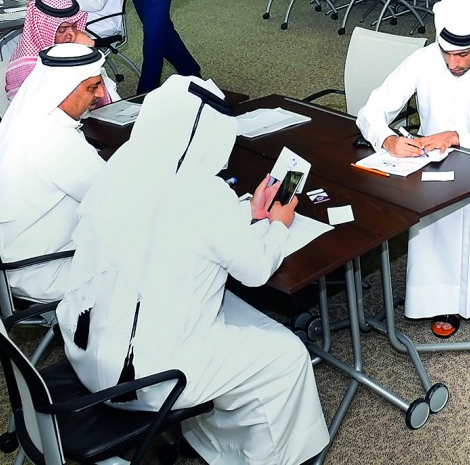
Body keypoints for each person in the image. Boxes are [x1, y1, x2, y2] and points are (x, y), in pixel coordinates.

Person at [56, 76, 329, 465]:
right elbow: (253, 270)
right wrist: (279, 223)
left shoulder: (119, 167)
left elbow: (168, 224)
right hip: (146, 379)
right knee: (286, 354)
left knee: (237, 314)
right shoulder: (204, 193)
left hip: (88, 349)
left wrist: (249, 214)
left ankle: (209, 443)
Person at [356, 0, 470, 342]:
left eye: (462, 54)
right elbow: (370, 112)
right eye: (446, 53)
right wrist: (386, 139)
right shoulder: (423, 60)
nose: (452, 63)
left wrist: (456, 137)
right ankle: (442, 301)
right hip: (435, 161)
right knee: (435, 209)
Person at [0, 44, 108, 302]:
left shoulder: (27, 118)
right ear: (62, 89)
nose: (101, 93)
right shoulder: (54, 140)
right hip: (45, 269)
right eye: (92, 87)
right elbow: (115, 194)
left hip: (28, 248)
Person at [4, 0, 113, 101]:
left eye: (74, 26)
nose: (71, 34)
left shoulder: (54, 51)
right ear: (43, 29)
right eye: (62, 30)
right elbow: (74, 101)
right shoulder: (32, 68)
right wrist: (85, 54)